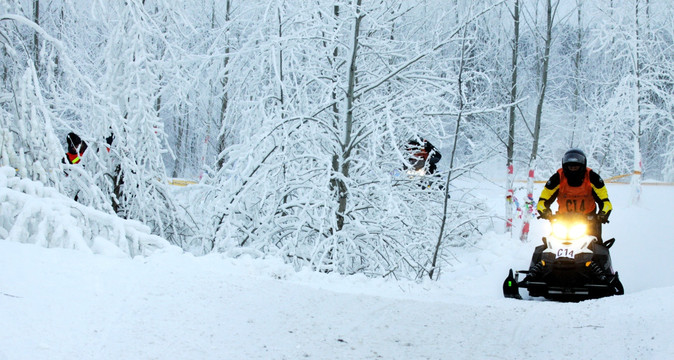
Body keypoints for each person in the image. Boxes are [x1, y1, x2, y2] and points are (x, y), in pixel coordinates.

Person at [536, 148, 613, 240]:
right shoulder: (557, 178)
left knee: (598, 248)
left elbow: (605, 202)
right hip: (562, 221)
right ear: (565, 166)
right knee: (547, 246)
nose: (573, 170)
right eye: (570, 167)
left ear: (582, 166)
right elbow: (543, 200)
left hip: (589, 221)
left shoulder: (593, 178)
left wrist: (602, 215)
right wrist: (545, 211)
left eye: (576, 167)